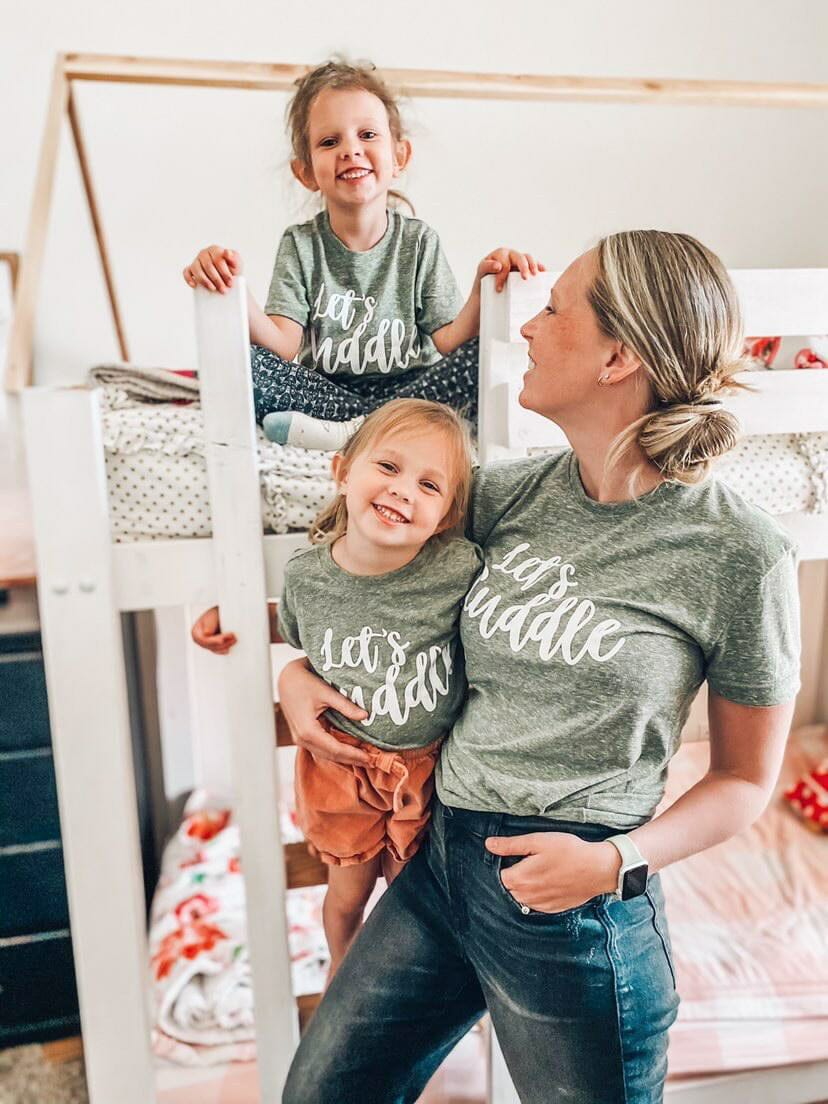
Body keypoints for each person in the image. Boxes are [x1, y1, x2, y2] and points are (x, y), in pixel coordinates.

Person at [277, 231, 801, 1104]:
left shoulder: (737, 552)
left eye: (554, 309)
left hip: (574, 903)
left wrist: (618, 862)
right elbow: (372, 583)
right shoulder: (510, 494)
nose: (526, 328)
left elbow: (746, 780)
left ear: (618, 356)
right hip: (442, 863)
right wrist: (290, 670)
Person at [194, 398, 481, 980]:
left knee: (409, 903)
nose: (404, 491)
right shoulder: (307, 575)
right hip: (342, 767)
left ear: (448, 514)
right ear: (343, 471)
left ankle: (402, 992)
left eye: (429, 485)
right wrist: (236, 617)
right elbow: (296, 633)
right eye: (389, 467)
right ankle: (342, 967)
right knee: (347, 894)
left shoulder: (459, 567)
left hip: (426, 770)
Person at [182, 59, 541, 450]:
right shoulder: (301, 245)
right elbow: (283, 345)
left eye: (367, 135)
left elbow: (451, 340)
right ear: (305, 172)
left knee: (482, 358)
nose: (351, 150)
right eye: (329, 142)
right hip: (328, 395)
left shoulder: (419, 243)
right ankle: (377, 428)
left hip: (413, 394)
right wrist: (234, 289)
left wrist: (484, 284)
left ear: (399, 157)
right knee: (245, 363)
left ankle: (357, 432)